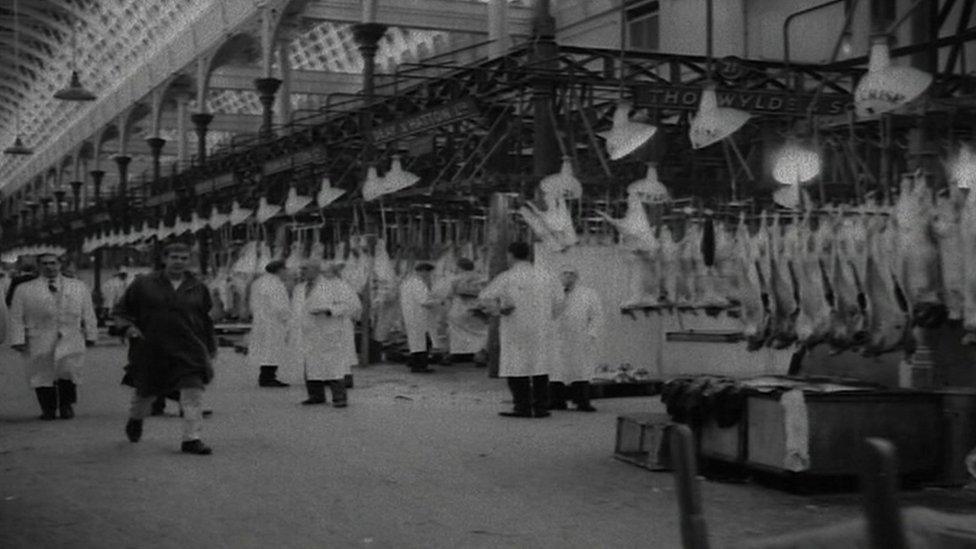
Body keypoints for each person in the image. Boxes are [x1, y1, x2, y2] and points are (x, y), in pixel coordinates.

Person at [114, 243, 217, 455]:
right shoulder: (143, 284)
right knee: (145, 394)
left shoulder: (198, 287)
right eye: (174, 257)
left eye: (183, 258)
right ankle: (136, 419)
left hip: (189, 349)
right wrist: (128, 328)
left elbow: (205, 320)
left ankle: (191, 439)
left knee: (193, 393)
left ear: (189, 261)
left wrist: (210, 347)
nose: (179, 262)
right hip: (152, 348)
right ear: (164, 259)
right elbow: (122, 311)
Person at [8, 252, 98, 420]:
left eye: (53, 263)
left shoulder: (78, 286)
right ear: (38, 266)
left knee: (69, 372)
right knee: (41, 374)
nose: (49, 267)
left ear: (59, 264)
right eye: (45, 264)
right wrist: (18, 339)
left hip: (70, 335)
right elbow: (16, 316)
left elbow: (88, 312)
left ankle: (66, 405)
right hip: (39, 337)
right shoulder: (24, 289)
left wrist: (91, 334)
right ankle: (48, 409)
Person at [479, 242, 564, 418]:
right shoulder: (547, 276)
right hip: (542, 328)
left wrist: (498, 310)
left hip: (516, 327)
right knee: (540, 366)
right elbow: (560, 302)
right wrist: (548, 317)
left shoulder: (508, 277)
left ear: (510, 255)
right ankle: (541, 407)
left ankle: (522, 407)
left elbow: (485, 297)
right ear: (529, 255)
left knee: (516, 366)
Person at [290, 260, 361, 406]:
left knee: (333, 364)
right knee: (311, 364)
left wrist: (329, 310)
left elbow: (352, 306)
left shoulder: (333, 287)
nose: (302, 272)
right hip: (308, 332)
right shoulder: (299, 289)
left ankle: (339, 397)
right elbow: (296, 311)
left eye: (305, 268)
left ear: (316, 270)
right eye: (301, 269)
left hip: (328, 330)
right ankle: (316, 395)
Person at [549, 265, 605, 412]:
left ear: (577, 277)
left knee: (580, 369)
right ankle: (557, 401)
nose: (568, 276)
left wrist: (591, 334)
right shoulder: (551, 294)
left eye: (571, 274)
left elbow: (597, 315)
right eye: (565, 273)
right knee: (556, 370)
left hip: (580, 337)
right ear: (559, 276)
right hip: (556, 337)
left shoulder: (588, 294)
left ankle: (582, 401)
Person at [431, 258, 488, 366]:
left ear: (459, 267)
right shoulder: (481, 278)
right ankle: (479, 353)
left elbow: (442, 293)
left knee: (453, 329)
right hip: (477, 310)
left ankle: (457, 352)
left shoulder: (454, 279)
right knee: (481, 332)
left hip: (459, 309)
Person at [248, 259, 292, 387]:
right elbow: (279, 306)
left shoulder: (258, 282)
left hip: (261, 319)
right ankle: (268, 377)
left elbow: (252, 302)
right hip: (273, 321)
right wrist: (287, 319)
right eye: (285, 270)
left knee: (265, 348)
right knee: (273, 348)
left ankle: (266, 375)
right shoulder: (276, 285)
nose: (287, 272)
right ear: (280, 270)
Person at [399, 262, 437, 373]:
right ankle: (420, 366)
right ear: (422, 271)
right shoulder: (418, 284)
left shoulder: (407, 282)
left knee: (416, 342)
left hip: (411, 315)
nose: (428, 275)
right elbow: (424, 301)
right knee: (423, 342)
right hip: (419, 316)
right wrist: (438, 302)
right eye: (427, 272)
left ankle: (415, 363)